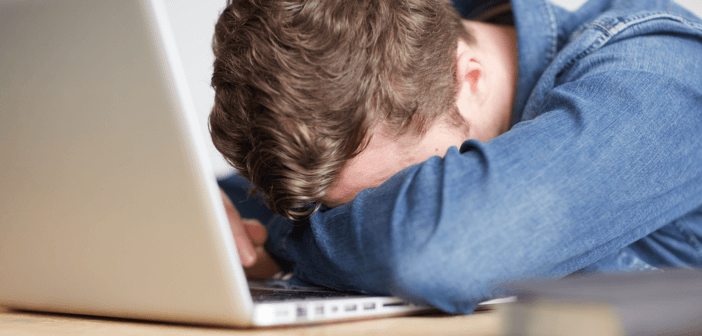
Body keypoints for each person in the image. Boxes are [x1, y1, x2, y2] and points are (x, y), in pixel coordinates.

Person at [211, 0, 702, 313]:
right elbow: (227, 208)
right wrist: (213, 219)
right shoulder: (383, 92)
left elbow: (436, 251)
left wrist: (276, 240)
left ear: (469, 80)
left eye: (391, 194)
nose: (358, 217)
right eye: (329, 208)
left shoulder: (663, 76)